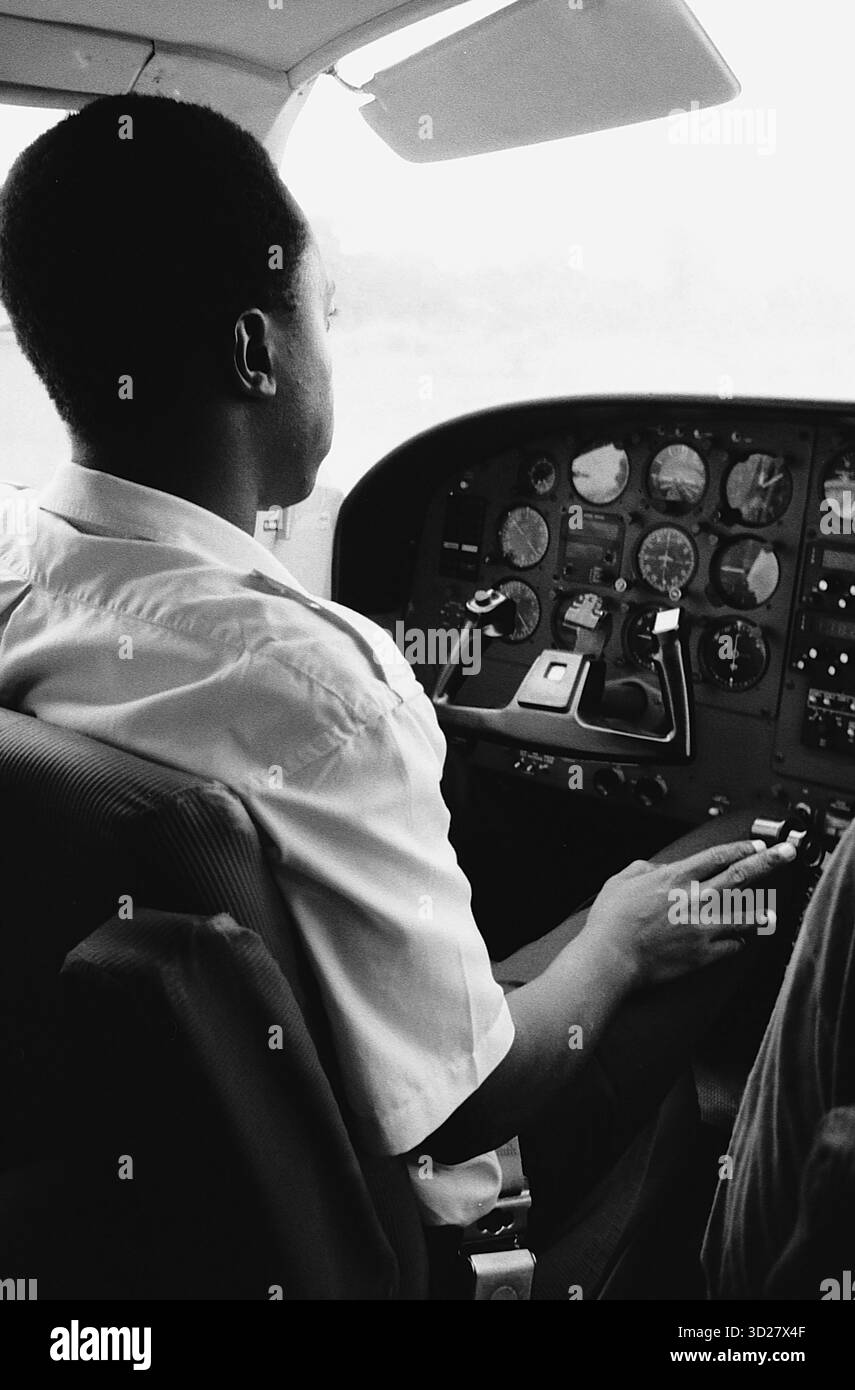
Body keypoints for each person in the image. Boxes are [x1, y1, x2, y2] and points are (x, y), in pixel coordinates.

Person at [0, 94, 798, 1289]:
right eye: (321, 312)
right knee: (758, 880)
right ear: (255, 353)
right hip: (421, 1210)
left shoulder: (18, 575)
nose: (329, 344)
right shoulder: (320, 691)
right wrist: (623, 941)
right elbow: (472, 1099)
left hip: (161, 1193)